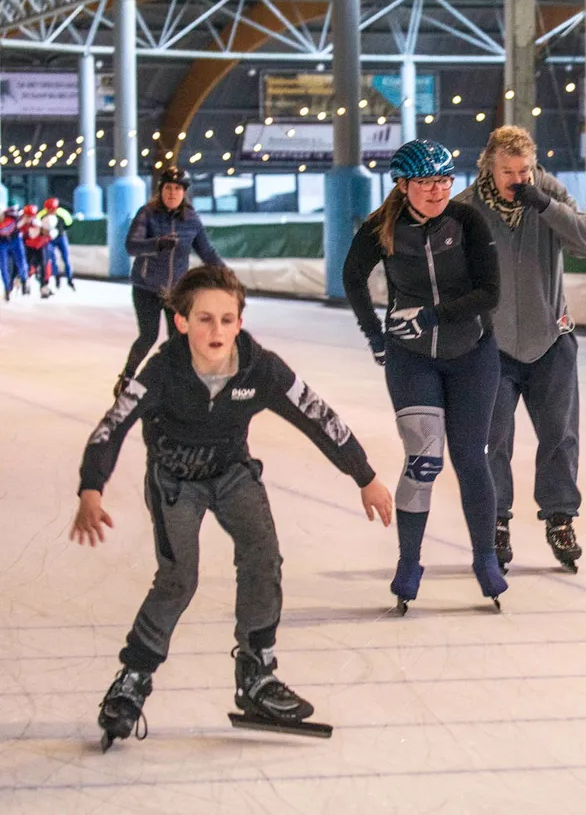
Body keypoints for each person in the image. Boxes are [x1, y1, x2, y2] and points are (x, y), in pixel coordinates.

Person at [71, 265, 394, 749]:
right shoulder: (163, 369)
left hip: (231, 473)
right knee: (178, 579)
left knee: (263, 558)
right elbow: (112, 425)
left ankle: (256, 674)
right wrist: (91, 487)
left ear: (240, 322)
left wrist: (364, 475)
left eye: (226, 319)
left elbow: (317, 414)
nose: (216, 331)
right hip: (175, 480)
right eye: (204, 319)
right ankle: (132, 680)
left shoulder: (258, 367)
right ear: (181, 323)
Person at [342, 139, 509, 611]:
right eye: (425, 183)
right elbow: (352, 278)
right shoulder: (382, 227)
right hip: (411, 358)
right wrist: (376, 336)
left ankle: (484, 558)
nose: (437, 191)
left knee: (471, 459)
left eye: (443, 181)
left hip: (473, 353)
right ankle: (409, 562)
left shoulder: (467, 220)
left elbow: (490, 292)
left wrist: (432, 316)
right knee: (424, 459)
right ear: (402, 184)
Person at [457, 126, 586, 573]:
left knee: (560, 436)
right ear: (489, 166)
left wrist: (545, 205)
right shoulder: (465, 208)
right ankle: (496, 521)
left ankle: (560, 517)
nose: (518, 180)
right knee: (492, 440)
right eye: (508, 172)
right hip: (491, 348)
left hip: (550, 342)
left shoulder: (547, 192)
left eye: (524, 171)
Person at [115, 166, 224, 398]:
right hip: (147, 287)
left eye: (177, 189)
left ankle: (178, 383)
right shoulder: (147, 214)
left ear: (184, 192)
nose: (172, 193)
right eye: (167, 188)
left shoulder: (191, 219)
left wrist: (226, 276)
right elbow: (131, 246)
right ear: (161, 190)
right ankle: (127, 377)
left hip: (176, 292)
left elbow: (207, 252)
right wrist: (156, 244)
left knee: (179, 339)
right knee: (148, 336)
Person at [38, 197, 75, 289]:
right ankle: (56, 275)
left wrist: (61, 230)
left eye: (53, 210)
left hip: (61, 237)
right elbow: (38, 225)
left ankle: (69, 278)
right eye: (49, 210)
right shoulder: (41, 214)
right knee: (51, 258)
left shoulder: (62, 213)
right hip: (49, 239)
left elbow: (69, 223)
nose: (51, 211)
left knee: (66, 257)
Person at [0, 205, 27, 301]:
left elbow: (22, 214)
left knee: (21, 262)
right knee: (3, 266)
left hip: (15, 240)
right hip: (3, 243)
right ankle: (7, 288)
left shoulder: (12, 216)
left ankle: (24, 280)